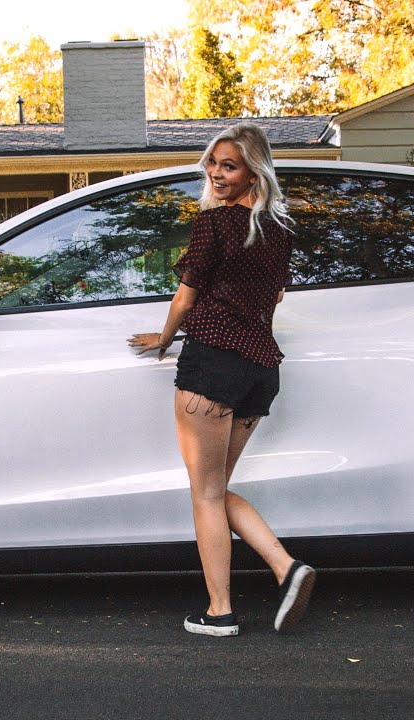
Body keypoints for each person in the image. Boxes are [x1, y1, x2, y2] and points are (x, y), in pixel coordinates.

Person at [128, 123, 315, 636]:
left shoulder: (213, 225)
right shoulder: (280, 231)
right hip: (259, 370)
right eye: (212, 163)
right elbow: (272, 297)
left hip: (213, 364)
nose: (214, 173)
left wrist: (163, 340)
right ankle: (286, 568)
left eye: (227, 166)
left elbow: (186, 297)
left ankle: (220, 611)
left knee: (205, 494)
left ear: (254, 170)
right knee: (215, 488)